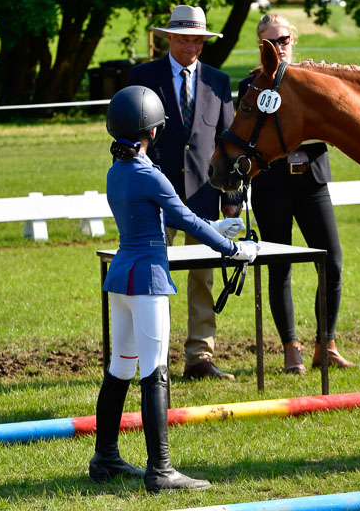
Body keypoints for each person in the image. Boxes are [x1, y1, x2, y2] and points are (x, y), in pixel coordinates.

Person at [89, 85, 257, 491]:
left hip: (122, 277)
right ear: (153, 130)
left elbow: (152, 220)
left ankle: (106, 456)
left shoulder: (118, 171)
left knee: (120, 369)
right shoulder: (149, 173)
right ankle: (160, 469)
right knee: (155, 371)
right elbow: (186, 219)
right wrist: (235, 248)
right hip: (147, 280)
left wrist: (214, 230)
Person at [237, 13, 355, 374]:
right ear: (261, 46)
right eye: (270, 42)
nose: (279, 47)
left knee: (331, 262)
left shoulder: (316, 82)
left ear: (294, 40)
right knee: (280, 267)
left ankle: (327, 342)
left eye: (284, 40)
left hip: (312, 181)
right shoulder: (251, 86)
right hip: (271, 184)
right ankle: (291, 348)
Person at [128, 5, 240, 381]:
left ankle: (200, 356)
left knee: (202, 279)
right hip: (154, 196)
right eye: (183, 38)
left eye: (197, 40)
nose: (191, 46)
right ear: (169, 38)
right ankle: (151, 357)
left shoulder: (218, 82)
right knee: (151, 277)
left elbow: (227, 142)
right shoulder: (142, 77)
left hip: (205, 196)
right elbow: (129, 137)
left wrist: (231, 200)